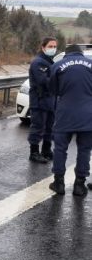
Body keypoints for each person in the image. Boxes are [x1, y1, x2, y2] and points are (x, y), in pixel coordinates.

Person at [47, 44, 92, 196]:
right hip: (88, 115)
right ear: (81, 54)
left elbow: (53, 90)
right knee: (85, 150)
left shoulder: (58, 65)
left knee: (60, 149)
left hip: (65, 113)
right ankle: (79, 185)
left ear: (67, 54)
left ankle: (58, 183)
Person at [27, 37, 57, 164]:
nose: (53, 48)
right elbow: (43, 81)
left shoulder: (50, 61)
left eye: (55, 46)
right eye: (50, 46)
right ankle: (34, 152)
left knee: (49, 127)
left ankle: (46, 150)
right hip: (39, 99)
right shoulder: (38, 62)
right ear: (43, 47)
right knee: (38, 126)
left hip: (50, 99)